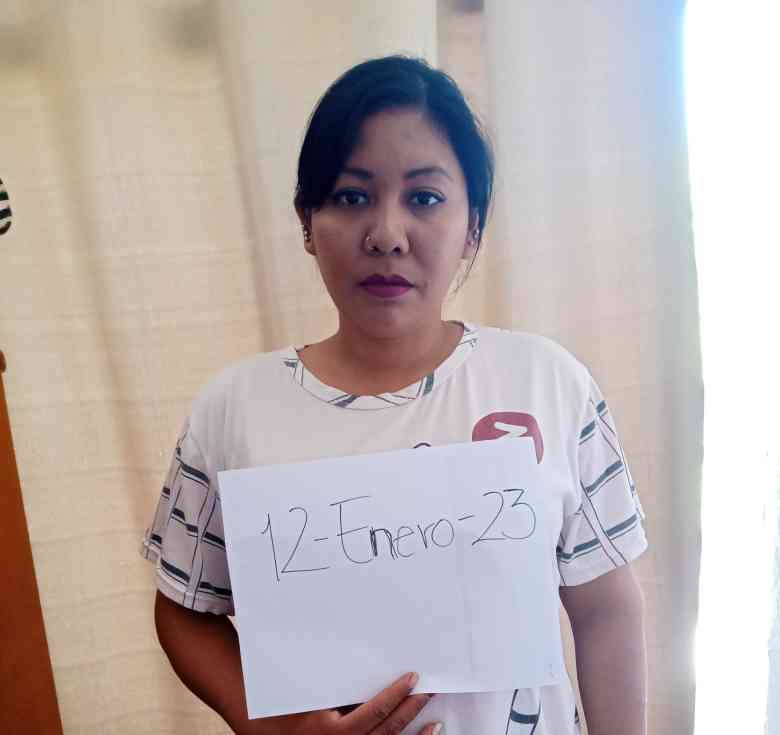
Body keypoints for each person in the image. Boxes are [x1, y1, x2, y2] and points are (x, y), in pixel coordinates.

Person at [142, 55, 648, 735]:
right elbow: (183, 607)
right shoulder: (234, 409)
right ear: (306, 221)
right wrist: (269, 727)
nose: (386, 235)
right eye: (351, 197)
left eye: (425, 198)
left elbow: (606, 609)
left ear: (472, 226)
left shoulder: (548, 384)